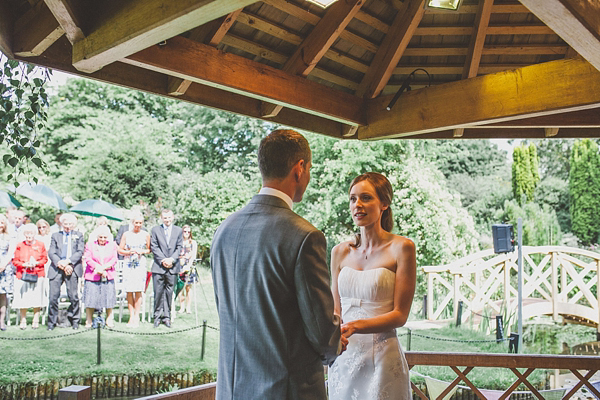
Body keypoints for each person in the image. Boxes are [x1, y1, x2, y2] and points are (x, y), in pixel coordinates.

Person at [211, 129, 346, 400]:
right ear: (299, 168)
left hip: (231, 390)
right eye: (309, 169)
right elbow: (322, 334)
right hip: (287, 391)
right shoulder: (305, 236)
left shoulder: (224, 230)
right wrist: (337, 340)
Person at [327, 172, 417, 400]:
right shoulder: (339, 251)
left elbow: (400, 315)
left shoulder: (402, 248)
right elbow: (335, 310)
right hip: (344, 354)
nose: (357, 205)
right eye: (353, 199)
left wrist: (356, 325)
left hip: (382, 356)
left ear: (384, 203)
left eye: (366, 198)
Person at [47, 213, 85, 330]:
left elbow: (80, 251)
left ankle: (74, 321)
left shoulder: (79, 235)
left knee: (73, 296)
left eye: (70, 224)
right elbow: (51, 252)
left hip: (72, 267)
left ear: (74, 225)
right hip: (57, 267)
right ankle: (51, 323)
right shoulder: (55, 235)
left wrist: (68, 262)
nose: (67, 226)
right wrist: (61, 264)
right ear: (61, 224)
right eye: (65, 224)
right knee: (53, 297)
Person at [12, 223, 48, 329]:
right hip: (22, 274)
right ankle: (23, 319)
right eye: (27, 233)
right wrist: (24, 264)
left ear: (34, 233)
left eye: (31, 233)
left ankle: (35, 319)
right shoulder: (20, 245)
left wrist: (35, 263)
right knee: (23, 298)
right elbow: (15, 261)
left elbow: (44, 259)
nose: (29, 235)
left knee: (37, 297)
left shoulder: (40, 244)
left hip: (38, 273)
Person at [150, 209, 182, 328]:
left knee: (169, 293)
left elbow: (179, 247)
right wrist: (163, 260)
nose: (167, 220)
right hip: (159, 267)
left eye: (169, 218)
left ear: (172, 217)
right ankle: (157, 317)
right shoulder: (155, 230)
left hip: (172, 267)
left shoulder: (178, 231)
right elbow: (154, 246)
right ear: (161, 218)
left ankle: (167, 317)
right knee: (158, 293)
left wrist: (171, 260)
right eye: (165, 218)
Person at [118, 212, 150, 328]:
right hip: (128, 263)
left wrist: (142, 251)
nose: (138, 225)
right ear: (132, 223)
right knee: (129, 290)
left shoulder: (145, 234)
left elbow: (149, 249)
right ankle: (131, 315)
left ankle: (137, 315)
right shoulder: (126, 234)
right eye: (136, 223)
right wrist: (128, 252)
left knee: (138, 290)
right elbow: (120, 250)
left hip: (140, 264)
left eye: (140, 223)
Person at [83, 225, 118, 328]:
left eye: (105, 237)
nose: (102, 239)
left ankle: (109, 319)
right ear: (97, 237)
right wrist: (98, 268)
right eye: (100, 237)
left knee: (108, 298)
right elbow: (88, 258)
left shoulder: (112, 245)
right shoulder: (90, 245)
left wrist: (104, 268)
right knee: (91, 298)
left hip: (108, 274)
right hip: (92, 275)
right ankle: (88, 320)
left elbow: (114, 259)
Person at [177, 225, 197, 314]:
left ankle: (188, 307)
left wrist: (188, 266)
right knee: (180, 288)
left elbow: (193, 256)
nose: (187, 233)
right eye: (185, 231)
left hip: (189, 267)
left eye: (188, 232)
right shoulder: (179, 242)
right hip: (180, 267)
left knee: (188, 288)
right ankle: (181, 307)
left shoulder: (193, 243)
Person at [0, 215, 14, 331]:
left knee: (3, 295)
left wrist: (3, 265)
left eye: (2, 222)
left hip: (4, 269)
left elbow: (10, 253)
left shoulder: (9, 237)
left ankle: (2, 321)